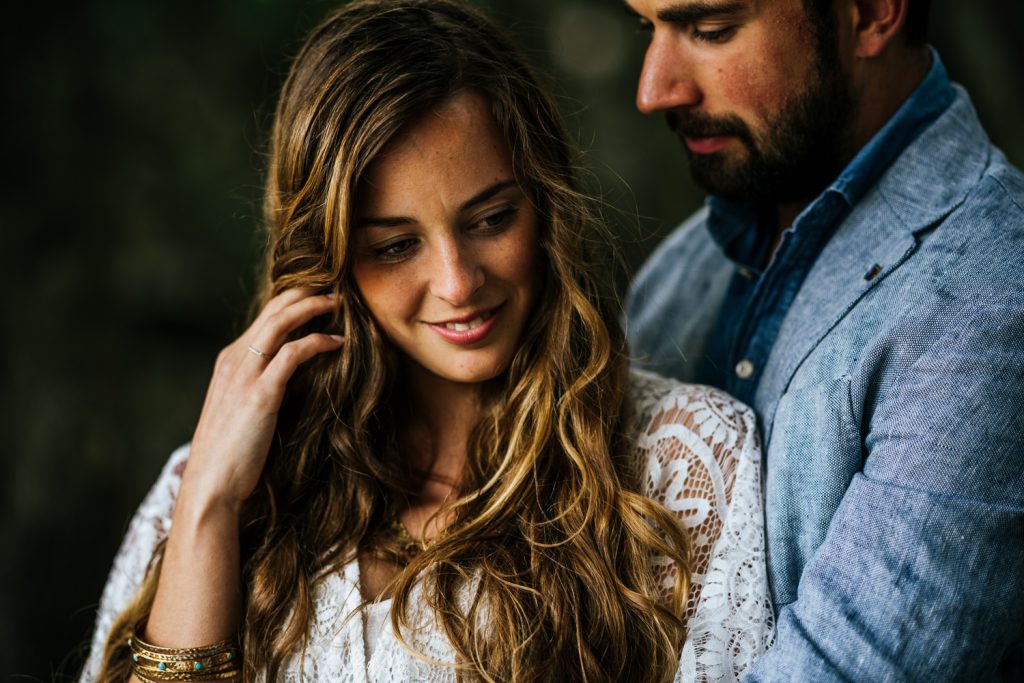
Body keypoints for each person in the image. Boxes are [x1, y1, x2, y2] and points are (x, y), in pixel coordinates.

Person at [80, 1, 775, 681]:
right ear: (329, 259)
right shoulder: (209, 485)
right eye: (397, 245)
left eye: (492, 217)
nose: (457, 281)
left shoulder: (686, 467)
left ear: (546, 207)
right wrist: (209, 507)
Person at [623, 0, 1024, 679]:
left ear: (871, 13)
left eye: (710, 30)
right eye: (648, 28)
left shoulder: (994, 293)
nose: (655, 88)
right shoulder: (676, 276)